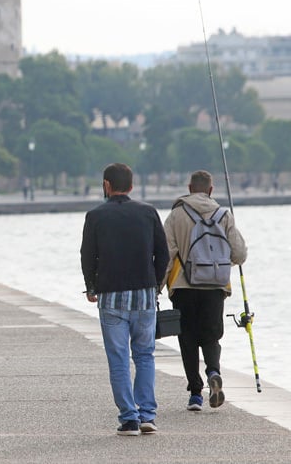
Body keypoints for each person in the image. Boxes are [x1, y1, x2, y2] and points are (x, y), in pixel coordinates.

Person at [80, 163, 169, 436]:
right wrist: (154, 285)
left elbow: (87, 256)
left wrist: (91, 286)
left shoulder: (95, 216)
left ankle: (128, 418)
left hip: (110, 297)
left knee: (118, 358)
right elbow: (163, 255)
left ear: (107, 185)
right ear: (131, 186)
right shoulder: (148, 212)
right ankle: (147, 416)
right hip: (143, 294)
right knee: (145, 355)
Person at [162, 170, 247, 411]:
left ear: (189, 188)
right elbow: (239, 254)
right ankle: (213, 371)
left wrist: (158, 285)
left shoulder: (177, 214)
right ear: (211, 190)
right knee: (211, 335)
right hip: (215, 286)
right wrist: (220, 265)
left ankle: (195, 394)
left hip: (183, 286)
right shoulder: (224, 215)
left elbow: (166, 254)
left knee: (187, 338)